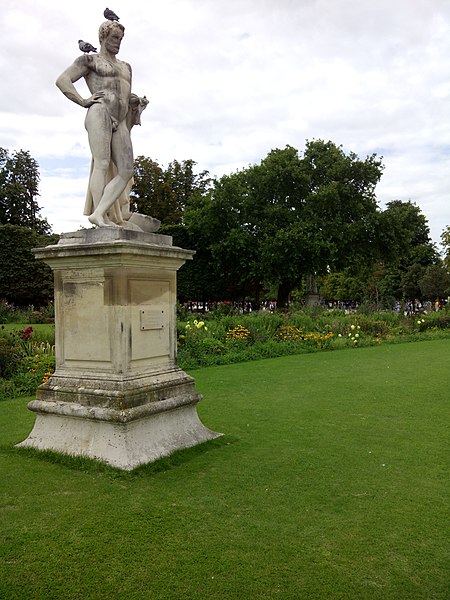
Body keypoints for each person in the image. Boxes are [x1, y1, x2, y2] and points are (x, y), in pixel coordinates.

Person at [56, 20, 146, 227]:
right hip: (100, 112)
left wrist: (133, 101)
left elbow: (122, 92)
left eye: (121, 39)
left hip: (121, 120)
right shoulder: (89, 60)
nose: (118, 43)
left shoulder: (126, 67)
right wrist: (82, 101)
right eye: (114, 38)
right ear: (103, 38)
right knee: (102, 163)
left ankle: (101, 211)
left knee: (126, 171)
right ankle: (100, 217)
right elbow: (63, 80)